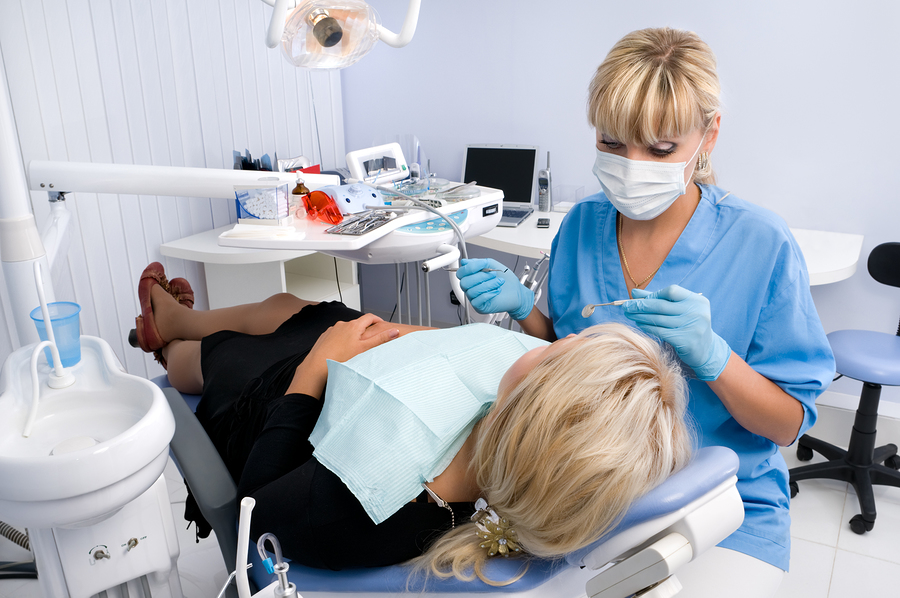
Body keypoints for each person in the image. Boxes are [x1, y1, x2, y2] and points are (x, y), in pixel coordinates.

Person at [456, 27, 835, 596]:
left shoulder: (761, 243)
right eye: (612, 143)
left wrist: (714, 358)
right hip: (583, 489)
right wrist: (523, 309)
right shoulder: (583, 224)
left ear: (708, 135)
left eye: (660, 150)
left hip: (716, 500)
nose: (632, 166)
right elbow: (564, 346)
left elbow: (786, 425)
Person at [132, 262, 693, 584]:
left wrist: (311, 368)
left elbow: (255, 513)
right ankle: (183, 318)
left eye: (561, 352)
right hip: (353, 370)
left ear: (527, 410)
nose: (562, 336)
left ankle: (170, 346)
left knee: (220, 359)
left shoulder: (369, 505)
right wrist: (378, 332)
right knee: (295, 308)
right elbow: (466, 344)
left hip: (286, 409)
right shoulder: (504, 397)